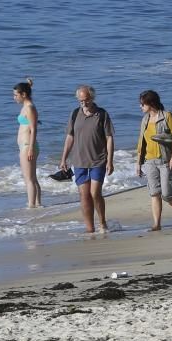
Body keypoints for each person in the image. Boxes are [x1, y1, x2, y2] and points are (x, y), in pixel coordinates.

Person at [59, 85, 115, 233]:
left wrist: (110, 160)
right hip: (79, 160)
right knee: (84, 195)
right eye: (81, 101)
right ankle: (90, 228)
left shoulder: (102, 114)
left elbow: (109, 138)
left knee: (95, 193)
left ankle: (102, 222)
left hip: (98, 159)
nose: (84, 104)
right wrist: (63, 158)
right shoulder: (75, 114)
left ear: (92, 98)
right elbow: (70, 136)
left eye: (86, 100)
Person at [136, 90, 172, 231]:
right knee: (154, 193)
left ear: (150, 103)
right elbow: (141, 142)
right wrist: (138, 163)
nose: (140, 107)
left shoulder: (167, 116)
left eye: (142, 104)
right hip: (149, 161)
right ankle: (157, 224)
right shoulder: (145, 119)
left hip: (165, 160)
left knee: (167, 194)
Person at [13, 79, 42, 209]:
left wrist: (30, 148)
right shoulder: (27, 105)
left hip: (28, 146)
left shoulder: (29, 108)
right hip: (25, 146)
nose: (14, 97)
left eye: (16, 95)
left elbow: (34, 128)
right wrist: (29, 85)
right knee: (31, 177)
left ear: (23, 94)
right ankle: (37, 203)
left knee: (29, 179)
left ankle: (32, 205)